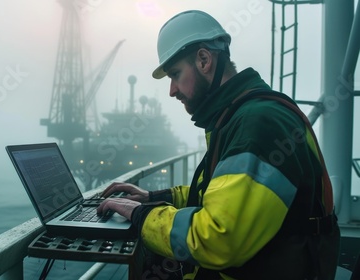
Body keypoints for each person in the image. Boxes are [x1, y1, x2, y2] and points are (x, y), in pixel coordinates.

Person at [96, 10, 340, 280]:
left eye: (175, 74)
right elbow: (226, 194)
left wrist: (142, 215)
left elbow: (217, 239)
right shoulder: (239, 116)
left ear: (203, 60)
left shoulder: (258, 123)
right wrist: (156, 198)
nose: (172, 90)